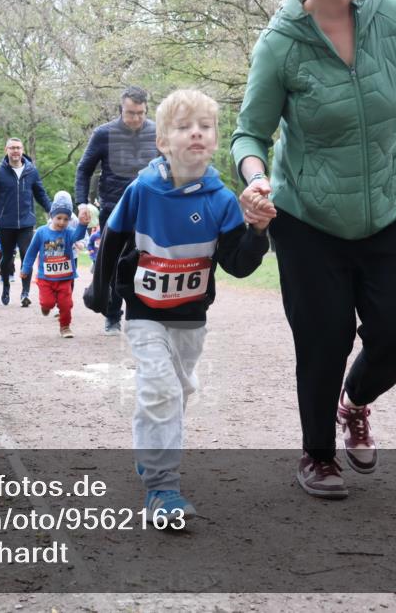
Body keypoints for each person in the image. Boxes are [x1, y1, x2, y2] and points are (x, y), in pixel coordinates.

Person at [231, 0, 396, 499]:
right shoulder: (280, 43)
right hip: (308, 217)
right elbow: (250, 133)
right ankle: (317, 455)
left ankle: (355, 400)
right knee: (324, 337)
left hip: (389, 209)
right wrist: (254, 178)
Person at [84, 89, 272, 525]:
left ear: (215, 139)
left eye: (205, 127)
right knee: (160, 390)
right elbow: (113, 238)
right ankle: (161, 490)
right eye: (185, 127)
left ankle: (151, 449)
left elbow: (236, 265)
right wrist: (101, 291)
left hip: (191, 316)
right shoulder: (144, 189)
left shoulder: (222, 199)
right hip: (145, 310)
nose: (196, 134)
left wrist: (257, 233)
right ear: (163, 142)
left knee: (181, 389)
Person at [74, 85, 159, 334]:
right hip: (114, 209)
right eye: (131, 113)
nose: (136, 118)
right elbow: (83, 169)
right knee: (114, 262)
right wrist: (81, 203)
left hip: (149, 209)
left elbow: (171, 166)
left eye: (141, 113)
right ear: (121, 109)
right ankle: (112, 314)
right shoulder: (104, 134)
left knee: (148, 263)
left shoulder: (157, 132)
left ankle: (142, 315)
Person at [0, 138, 53, 307]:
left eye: (18, 148)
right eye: (12, 148)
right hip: (6, 223)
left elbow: (41, 194)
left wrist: (52, 210)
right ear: (6, 150)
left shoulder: (31, 171)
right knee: (6, 260)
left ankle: (25, 292)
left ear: (22, 149)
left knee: (27, 256)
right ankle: (6, 285)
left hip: (26, 223)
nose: (15, 151)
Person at [21, 194, 88, 338]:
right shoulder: (41, 232)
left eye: (66, 219)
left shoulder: (69, 232)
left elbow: (78, 236)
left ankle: (65, 327)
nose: (62, 222)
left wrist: (83, 224)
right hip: (46, 278)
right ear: (52, 216)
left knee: (66, 304)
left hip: (65, 278)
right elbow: (31, 252)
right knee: (48, 303)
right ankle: (45, 307)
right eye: (59, 218)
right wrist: (26, 268)